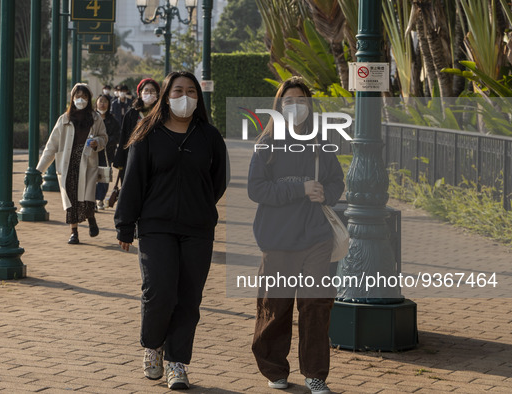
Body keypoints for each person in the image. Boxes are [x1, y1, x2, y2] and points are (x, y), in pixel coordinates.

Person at [114, 71, 228, 390]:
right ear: (166, 95)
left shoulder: (209, 136)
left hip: (198, 229)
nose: (185, 96)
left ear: (199, 98)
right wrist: (124, 225)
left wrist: (201, 205)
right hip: (156, 227)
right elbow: (133, 183)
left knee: (189, 298)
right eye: (178, 90)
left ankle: (176, 362)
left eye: (192, 91)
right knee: (160, 291)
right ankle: (153, 345)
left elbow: (217, 181)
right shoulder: (147, 134)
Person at [247, 77, 345, 394]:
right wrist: (299, 189)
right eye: (288, 101)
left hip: (316, 236)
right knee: (275, 306)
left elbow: (336, 182)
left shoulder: (321, 143)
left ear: (309, 106)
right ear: (278, 107)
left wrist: (325, 194)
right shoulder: (266, 145)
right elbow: (256, 189)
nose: (295, 106)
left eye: (300, 100)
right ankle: (274, 367)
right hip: (277, 238)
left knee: (316, 305)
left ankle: (315, 374)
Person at [36, 83, 108, 244]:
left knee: (88, 198)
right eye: (77, 97)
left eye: (84, 97)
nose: (80, 100)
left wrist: (97, 142)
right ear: (72, 99)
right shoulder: (64, 120)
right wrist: (39, 169)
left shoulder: (95, 119)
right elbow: (51, 146)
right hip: (69, 165)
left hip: (88, 163)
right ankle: (74, 232)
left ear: (89, 99)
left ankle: (91, 219)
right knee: (71, 199)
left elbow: (104, 137)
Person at [112, 78, 160, 178]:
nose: (149, 93)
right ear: (140, 93)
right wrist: (120, 160)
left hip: (156, 158)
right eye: (146, 90)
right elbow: (124, 137)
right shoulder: (131, 114)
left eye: (152, 91)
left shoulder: (161, 114)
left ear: (157, 94)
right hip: (134, 157)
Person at [94, 94, 120, 210]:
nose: (102, 104)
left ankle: (100, 199)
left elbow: (117, 136)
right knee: (92, 177)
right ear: (96, 103)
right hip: (93, 153)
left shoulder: (112, 120)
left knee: (103, 177)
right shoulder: (91, 118)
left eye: (105, 102)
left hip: (107, 153)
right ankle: (92, 200)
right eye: (100, 101)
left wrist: (107, 141)